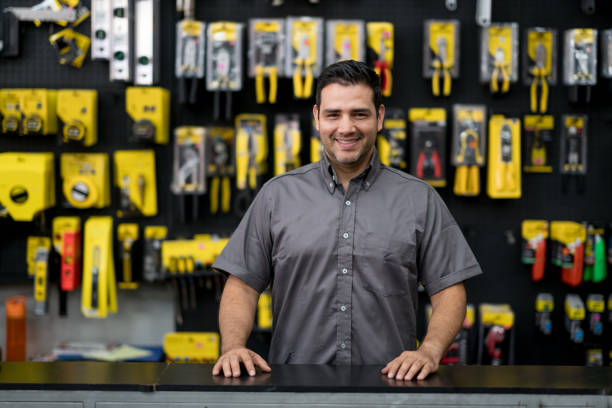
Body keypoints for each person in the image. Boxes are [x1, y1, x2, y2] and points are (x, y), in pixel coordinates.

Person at [211, 60, 482, 381]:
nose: (346, 127)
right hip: (294, 389)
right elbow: (241, 285)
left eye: (359, 114)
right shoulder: (277, 196)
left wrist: (430, 351)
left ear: (379, 117)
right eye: (333, 114)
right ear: (316, 118)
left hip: (391, 389)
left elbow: (450, 289)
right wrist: (232, 347)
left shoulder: (419, 199)